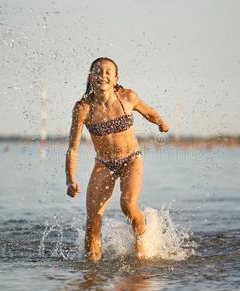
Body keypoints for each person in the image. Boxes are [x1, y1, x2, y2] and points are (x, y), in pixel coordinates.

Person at [65, 57, 169, 261]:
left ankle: (142, 244)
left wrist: (161, 123)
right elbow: (73, 148)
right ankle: (92, 268)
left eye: (107, 72)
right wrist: (70, 179)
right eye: (97, 71)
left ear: (115, 78)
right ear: (90, 77)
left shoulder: (127, 97)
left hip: (131, 159)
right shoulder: (83, 109)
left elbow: (148, 113)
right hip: (104, 163)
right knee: (93, 218)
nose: (102, 75)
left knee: (128, 205)